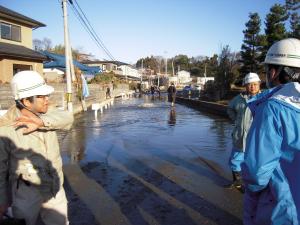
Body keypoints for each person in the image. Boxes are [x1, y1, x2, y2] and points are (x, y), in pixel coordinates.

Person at [0, 71, 74, 225]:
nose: (47, 100)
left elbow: (68, 118)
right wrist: (2, 201)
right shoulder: (6, 127)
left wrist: (41, 122)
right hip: (25, 192)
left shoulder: (48, 113)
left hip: (55, 187)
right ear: (26, 101)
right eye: (41, 96)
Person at [242, 38, 300, 224]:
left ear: (274, 72)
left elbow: (257, 171)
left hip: (281, 207)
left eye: (267, 70)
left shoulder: (273, 108)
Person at [226, 72, 261, 190]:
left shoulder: (264, 99)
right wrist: (236, 120)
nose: (252, 87)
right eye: (250, 84)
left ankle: (253, 185)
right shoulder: (238, 99)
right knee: (236, 159)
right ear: (245, 85)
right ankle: (237, 182)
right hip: (240, 136)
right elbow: (230, 109)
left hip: (256, 137)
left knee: (255, 161)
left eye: (255, 84)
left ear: (259, 85)